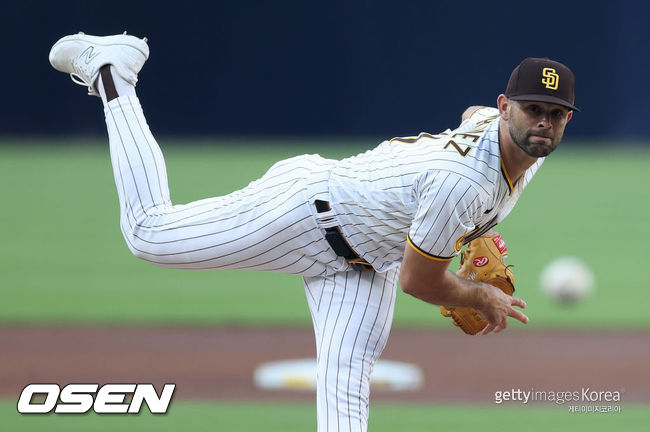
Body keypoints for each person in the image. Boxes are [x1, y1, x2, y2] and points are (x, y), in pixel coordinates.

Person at [49, 32, 578, 432]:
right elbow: (420, 282)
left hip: (367, 260)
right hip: (306, 212)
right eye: (534, 109)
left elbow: (470, 115)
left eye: (556, 115)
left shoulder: (518, 142)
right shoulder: (463, 183)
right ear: (508, 107)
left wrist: (457, 235)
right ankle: (113, 71)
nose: (544, 124)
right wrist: (477, 293)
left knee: (346, 390)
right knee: (148, 233)